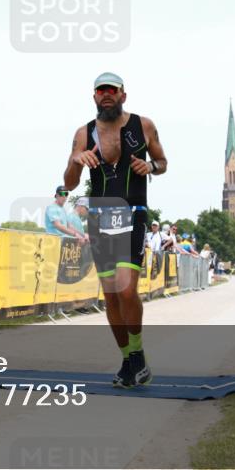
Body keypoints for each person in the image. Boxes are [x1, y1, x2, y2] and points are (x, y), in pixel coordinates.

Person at [63, 72, 168, 388]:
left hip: (133, 213)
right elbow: (68, 183)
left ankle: (136, 356)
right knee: (110, 296)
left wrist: (150, 166)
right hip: (100, 218)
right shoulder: (85, 133)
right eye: (100, 90)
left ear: (123, 95)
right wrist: (76, 161)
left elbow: (162, 162)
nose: (106, 94)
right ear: (94, 97)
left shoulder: (143, 125)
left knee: (125, 289)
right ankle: (130, 360)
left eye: (112, 90)